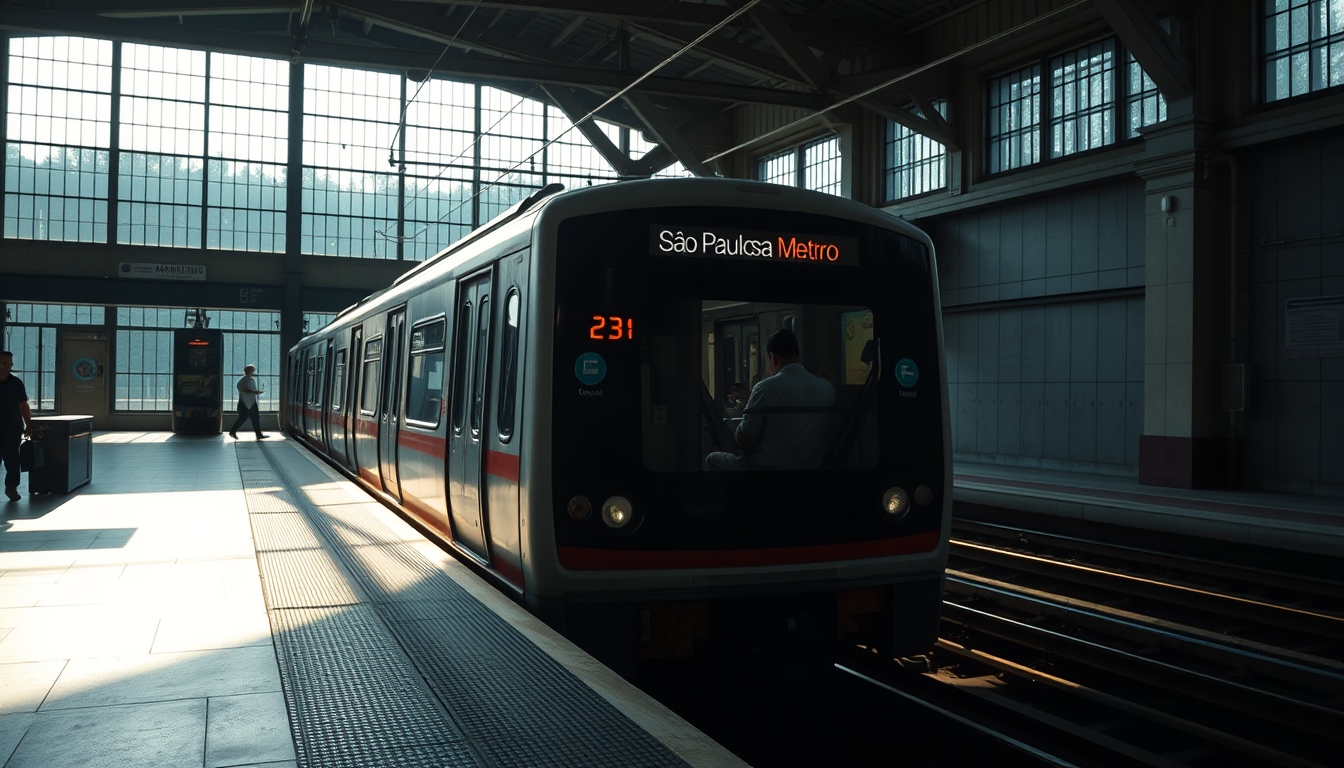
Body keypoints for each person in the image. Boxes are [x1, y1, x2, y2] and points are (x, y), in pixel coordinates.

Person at [706, 328, 835, 471]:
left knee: (712, 459)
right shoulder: (826, 388)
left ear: (772, 357)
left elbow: (744, 440)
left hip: (767, 467)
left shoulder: (764, 388)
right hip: (813, 466)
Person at [0, 350, 34, 502]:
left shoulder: (16, 383)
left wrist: (29, 424)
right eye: (0, 363)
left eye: (7, 363)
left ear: (11, 365)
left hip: (12, 429)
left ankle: (11, 488)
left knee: (13, 460)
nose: (3, 367)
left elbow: (23, 405)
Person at [228, 364, 268, 439]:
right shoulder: (245, 379)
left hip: (251, 402)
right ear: (250, 371)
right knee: (244, 418)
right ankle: (233, 432)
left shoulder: (250, 379)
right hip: (245, 403)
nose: (254, 371)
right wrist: (255, 392)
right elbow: (243, 389)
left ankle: (258, 434)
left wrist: (255, 392)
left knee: (254, 418)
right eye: (253, 370)